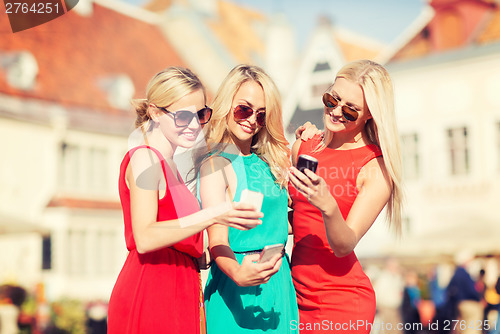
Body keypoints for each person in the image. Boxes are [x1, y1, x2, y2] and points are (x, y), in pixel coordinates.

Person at [107, 67, 263, 334]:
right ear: (155, 113)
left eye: (201, 114)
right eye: (182, 116)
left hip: (181, 286)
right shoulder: (146, 157)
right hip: (152, 288)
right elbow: (144, 237)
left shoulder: (172, 167)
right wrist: (215, 214)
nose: (194, 126)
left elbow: (192, 246)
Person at [288, 59, 404, 334]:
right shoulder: (303, 147)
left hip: (341, 301)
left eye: (351, 110)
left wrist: (328, 205)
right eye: (332, 99)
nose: (336, 111)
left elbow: (344, 245)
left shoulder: (375, 166)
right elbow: (296, 220)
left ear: (369, 116)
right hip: (293, 294)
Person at [196, 64, 299, 333]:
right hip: (237, 284)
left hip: (279, 281)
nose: (252, 119)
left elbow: (282, 223)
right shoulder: (215, 164)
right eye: (244, 108)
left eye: (262, 115)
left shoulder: (270, 162)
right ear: (226, 105)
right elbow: (217, 239)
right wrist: (239, 275)